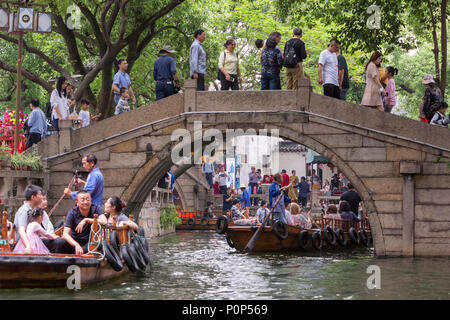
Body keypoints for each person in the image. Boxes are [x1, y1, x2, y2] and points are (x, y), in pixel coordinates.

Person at [13, 185, 44, 254]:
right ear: (33, 197)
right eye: (40, 194)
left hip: (33, 240)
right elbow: (21, 231)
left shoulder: (33, 210)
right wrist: (28, 247)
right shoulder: (24, 211)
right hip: (23, 243)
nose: (42, 197)